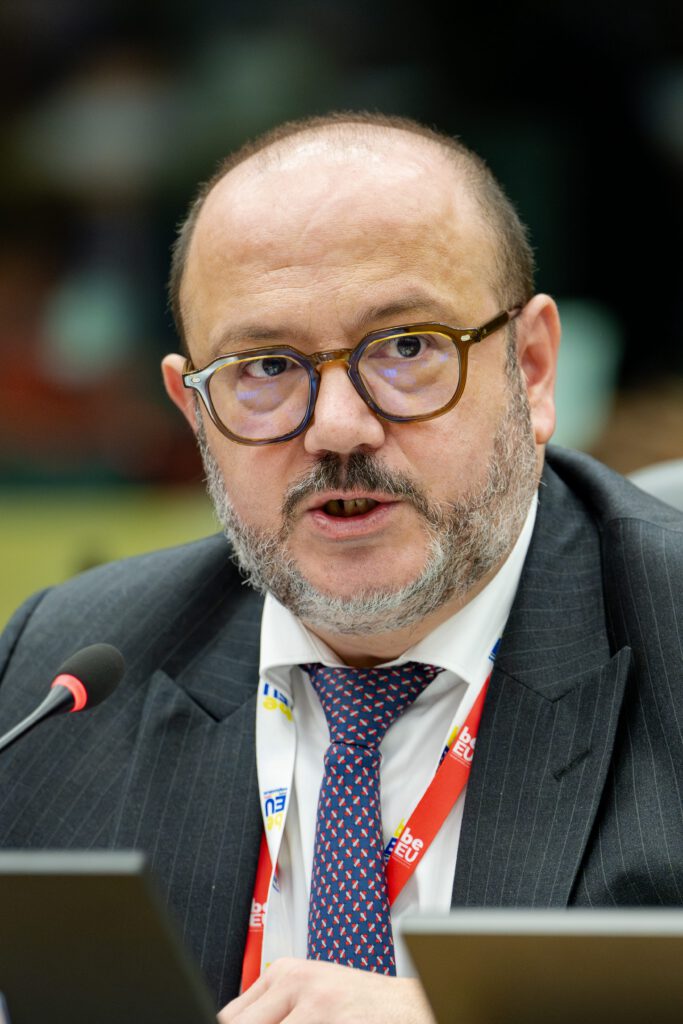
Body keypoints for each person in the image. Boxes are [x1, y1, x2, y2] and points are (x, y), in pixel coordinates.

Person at [0, 111, 681, 1024]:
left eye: (405, 348)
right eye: (264, 367)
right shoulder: (63, 679)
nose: (336, 427)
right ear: (194, 412)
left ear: (530, 368)